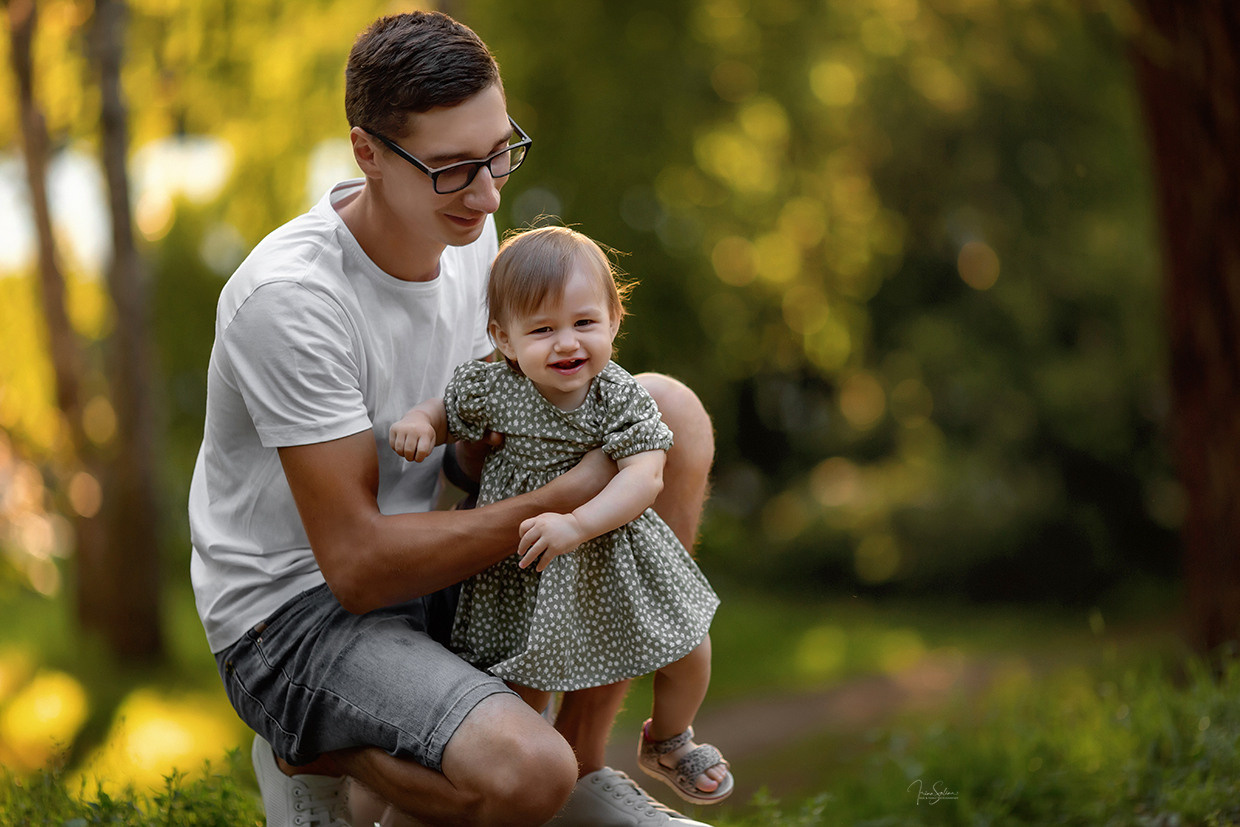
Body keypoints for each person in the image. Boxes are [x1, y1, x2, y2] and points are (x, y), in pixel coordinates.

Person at [187, 10, 717, 827]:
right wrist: (568, 495)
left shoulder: (466, 225)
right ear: (367, 152)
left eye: (500, 152)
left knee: (669, 413)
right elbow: (357, 567)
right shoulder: (291, 301)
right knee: (523, 773)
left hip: (436, 561)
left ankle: (581, 763)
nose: (489, 192)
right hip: (297, 614)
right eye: (452, 168)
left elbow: (472, 448)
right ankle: (308, 745)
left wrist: (537, 442)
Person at [390, 226, 734, 807]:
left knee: (690, 650)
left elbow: (645, 475)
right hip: (528, 567)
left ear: (614, 321)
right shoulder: (498, 389)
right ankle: (523, 796)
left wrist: (577, 524)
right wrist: (423, 422)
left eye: (584, 322)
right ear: (504, 338)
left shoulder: (618, 395)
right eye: (542, 329)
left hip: (613, 552)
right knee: (523, 694)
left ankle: (669, 737)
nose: (566, 343)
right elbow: (447, 409)